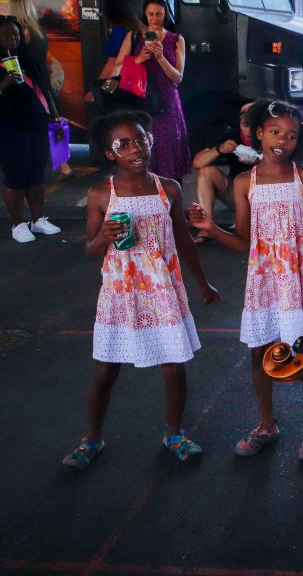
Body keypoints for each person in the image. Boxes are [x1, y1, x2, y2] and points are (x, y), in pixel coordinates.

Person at [187, 100, 303, 461]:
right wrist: (210, 228)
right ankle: (267, 424)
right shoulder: (243, 183)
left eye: (291, 134)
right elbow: (241, 241)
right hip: (266, 282)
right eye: (274, 132)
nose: (283, 139)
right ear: (256, 134)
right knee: (260, 354)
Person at [62, 110, 219, 472]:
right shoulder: (103, 193)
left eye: (141, 139)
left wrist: (202, 282)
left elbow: (183, 239)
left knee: (173, 369)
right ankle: (92, 439)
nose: (136, 148)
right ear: (109, 153)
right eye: (124, 144)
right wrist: (103, 236)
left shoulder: (169, 188)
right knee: (105, 372)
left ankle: (175, 434)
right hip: (120, 292)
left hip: (163, 290)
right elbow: (89, 250)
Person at [113, 0, 190, 181]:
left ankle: (173, 200)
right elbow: (117, 68)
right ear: (145, 15)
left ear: (166, 15)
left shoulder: (176, 40)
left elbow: (178, 78)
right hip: (142, 101)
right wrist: (139, 59)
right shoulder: (135, 36)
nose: (155, 19)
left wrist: (160, 57)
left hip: (168, 103)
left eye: (159, 14)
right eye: (151, 14)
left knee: (169, 151)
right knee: (145, 148)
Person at [0, 15, 60, 243]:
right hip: (9, 126)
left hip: (35, 122)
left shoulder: (27, 58)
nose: (12, 38)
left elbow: (43, 88)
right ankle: (17, 223)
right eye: (6, 34)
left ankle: (38, 219)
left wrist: (54, 114)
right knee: (16, 174)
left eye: (15, 34)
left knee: (36, 172)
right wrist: (5, 82)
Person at [8, 0, 74, 182]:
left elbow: (15, 61)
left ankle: (58, 166)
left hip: (27, 86)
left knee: (35, 127)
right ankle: (64, 165)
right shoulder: (38, 31)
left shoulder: (18, 34)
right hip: (43, 83)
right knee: (52, 123)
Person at [190, 101, 258, 245]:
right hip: (237, 194)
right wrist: (220, 149)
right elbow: (197, 162)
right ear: (240, 122)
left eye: (254, 126)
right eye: (245, 125)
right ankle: (207, 226)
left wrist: (261, 162)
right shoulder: (231, 137)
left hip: (265, 195)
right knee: (206, 172)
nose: (248, 131)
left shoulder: (271, 137)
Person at [86, 0, 144, 111]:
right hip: (138, 84)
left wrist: (97, 91)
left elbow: (114, 65)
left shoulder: (118, 32)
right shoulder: (139, 27)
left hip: (119, 83)